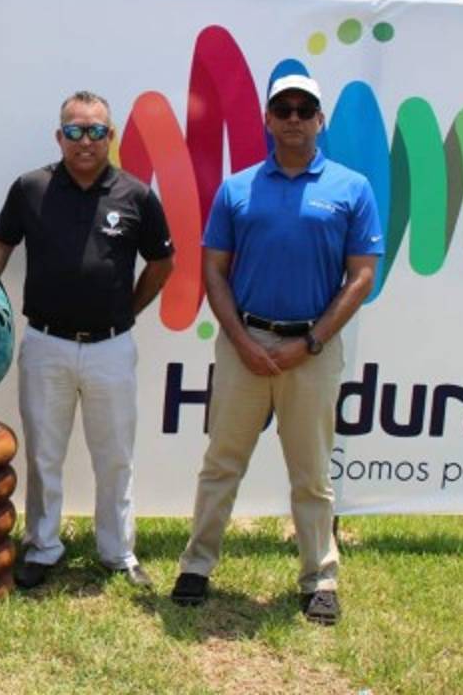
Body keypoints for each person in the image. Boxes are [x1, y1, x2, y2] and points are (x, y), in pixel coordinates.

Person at [170, 74, 384, 626]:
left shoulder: (351, 188)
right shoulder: (237, 188)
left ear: (319, 120)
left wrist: (311, 341)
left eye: (303, 109)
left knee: (312, 474)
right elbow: (214, 271)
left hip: (312, 348)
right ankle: (196, 566)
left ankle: (320, 578)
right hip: (246, 341)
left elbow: (361, 277)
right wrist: (241, 339)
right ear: (268, 119)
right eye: (282, 109)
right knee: (222, 463)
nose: (293, 118)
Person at [0, 90, 174, 590]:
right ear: (58, 136)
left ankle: (117, 551)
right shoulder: (31, 188)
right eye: (74, 131)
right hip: (46, 343)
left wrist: (126, 311)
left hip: (112, 346)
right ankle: (43, 546)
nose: (84, 141)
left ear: (111, 137)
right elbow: (0, 243)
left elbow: (162, 264)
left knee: (115, 455)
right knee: (44, 452)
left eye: (95, 131)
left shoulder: (137, 195)